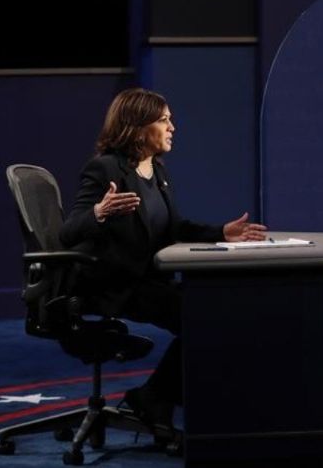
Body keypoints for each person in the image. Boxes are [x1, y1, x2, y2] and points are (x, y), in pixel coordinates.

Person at [60, 88, 267, 428]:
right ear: (139, 127)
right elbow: (68, 232)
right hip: (113, 285)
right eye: (164, 120)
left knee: (217, 312)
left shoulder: (157, 171)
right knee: (205, 319)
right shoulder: (104, 169)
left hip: (145, 281)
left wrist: (222, 232)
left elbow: (174, 227)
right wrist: (98, 211)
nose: (173, 127)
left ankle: (154, 397)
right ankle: (154, 398)